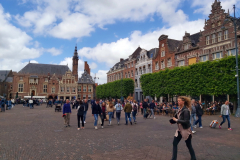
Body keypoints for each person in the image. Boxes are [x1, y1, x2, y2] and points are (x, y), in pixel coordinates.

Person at [171, 96, 196, 160]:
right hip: (179, 130)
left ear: (183, 102)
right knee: (174, 143)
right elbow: (178, 118)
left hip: (185, 130)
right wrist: (173, 121)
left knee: (189, 145)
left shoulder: (186, 110)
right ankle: (173, 159)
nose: (178, 102)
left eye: (179, 101)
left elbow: (186, 121)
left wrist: (176, 120)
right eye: (178, 101)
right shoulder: (179, 109)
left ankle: (193, 158)